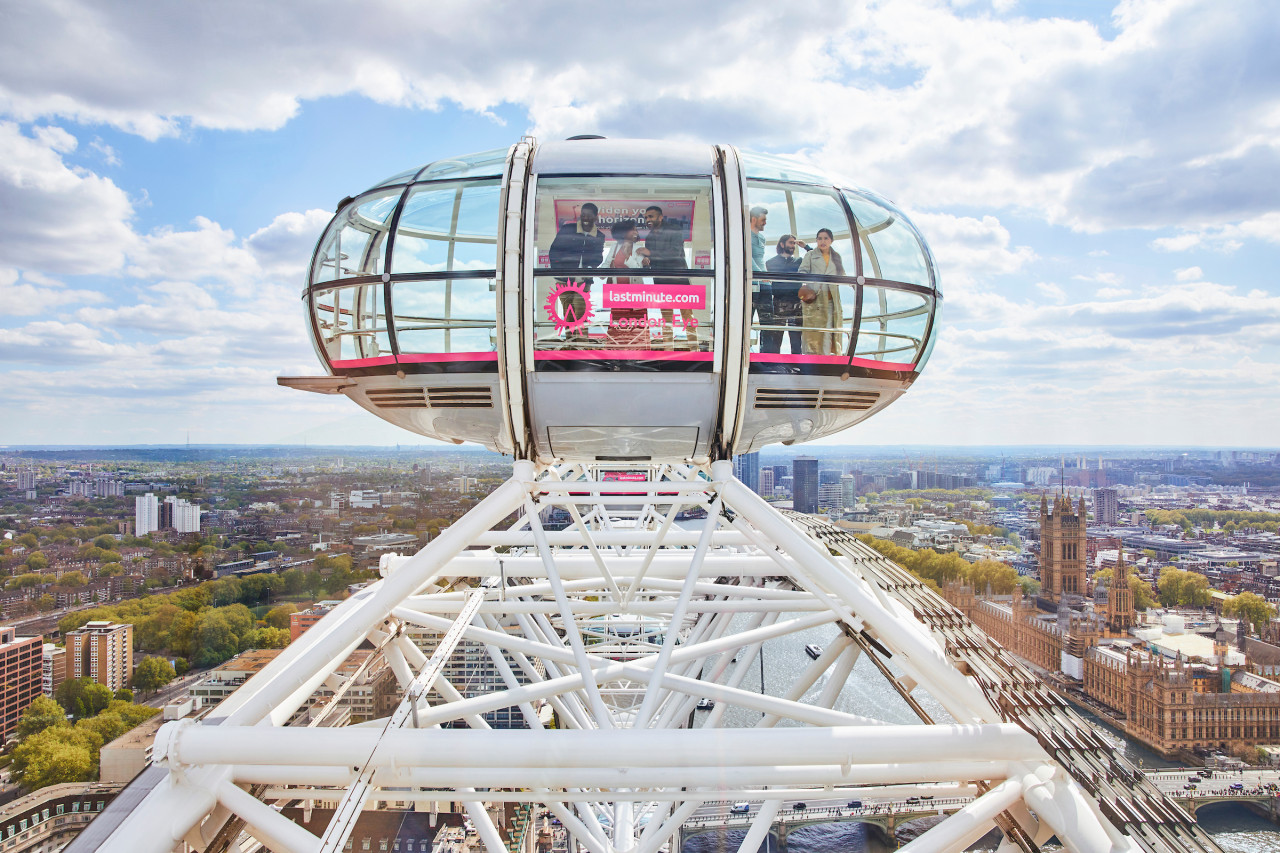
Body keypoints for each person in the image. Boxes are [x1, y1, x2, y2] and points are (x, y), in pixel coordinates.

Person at [637, 205, 695, 347]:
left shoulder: (674, 229)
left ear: (661, 217)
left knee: (687, 316)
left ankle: (695, 349)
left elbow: (675, 253)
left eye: (651, 216)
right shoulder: (649, 237)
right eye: (646, 217)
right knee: (666, 319)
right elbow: (652, 263)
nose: (647, 219)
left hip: (679, 279)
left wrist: (650, 254)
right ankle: (668, 350)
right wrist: (646, 262)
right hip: (661, 281)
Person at [548, 202, 605, 341]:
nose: (585, 218)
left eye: (589, 215)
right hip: (564, 278)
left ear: (596, 217)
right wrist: (559, 269)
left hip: (583, 280)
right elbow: (554, 251)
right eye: (583, 215)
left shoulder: (599, 235)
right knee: (568, 312)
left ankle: (580, 342)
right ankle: (570, 343)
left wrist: (591, 268)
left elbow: (598, 257)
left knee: (580, 311)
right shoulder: (568, 229)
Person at [796, 228, 845, 355]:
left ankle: (827, 356)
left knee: (830, 329)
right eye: (819, 238)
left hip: (832, 299)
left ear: (831, 240)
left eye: (826, 238)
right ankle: (813, 359)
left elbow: (842, 275)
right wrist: (807, 285)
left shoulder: (836, 257)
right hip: (815, 299)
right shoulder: (810, 255)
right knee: (814, 332)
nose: (822, 241)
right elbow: (802, 272)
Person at [603, 220, 648, 348]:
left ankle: (638, 359)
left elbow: (640, 269)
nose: (636, 232)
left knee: (638, 328)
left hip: (636, 296)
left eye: (636, 229)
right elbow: (604, 268)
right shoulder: (614, 247)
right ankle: (618, 358)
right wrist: (605, 270)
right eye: (632, 229)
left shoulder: (638, 248)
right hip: (619, 296)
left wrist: (639, 262)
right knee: (619, 328)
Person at [763, 233, 809, 353]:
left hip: (796, 303)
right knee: (776, 339)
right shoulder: (770, 263)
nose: (793, 245)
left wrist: (806, 247)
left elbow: (816, 258)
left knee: (796, 340)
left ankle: (796, 366)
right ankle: (774, 366)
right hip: (779, 302)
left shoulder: (799, 261)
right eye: (790, 242)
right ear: (782, 244)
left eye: (794, 243)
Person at [747, 205, 772, 353]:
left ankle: (766, 354)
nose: (765, 223)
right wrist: (762, 276)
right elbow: (748, 259)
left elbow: (761, 260)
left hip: (765, 284)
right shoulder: (745, 236)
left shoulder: (762, 238)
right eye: (763, 220)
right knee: (747, 320)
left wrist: (767, 278)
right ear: (754, 219)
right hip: (753, 284)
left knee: (768, 322)